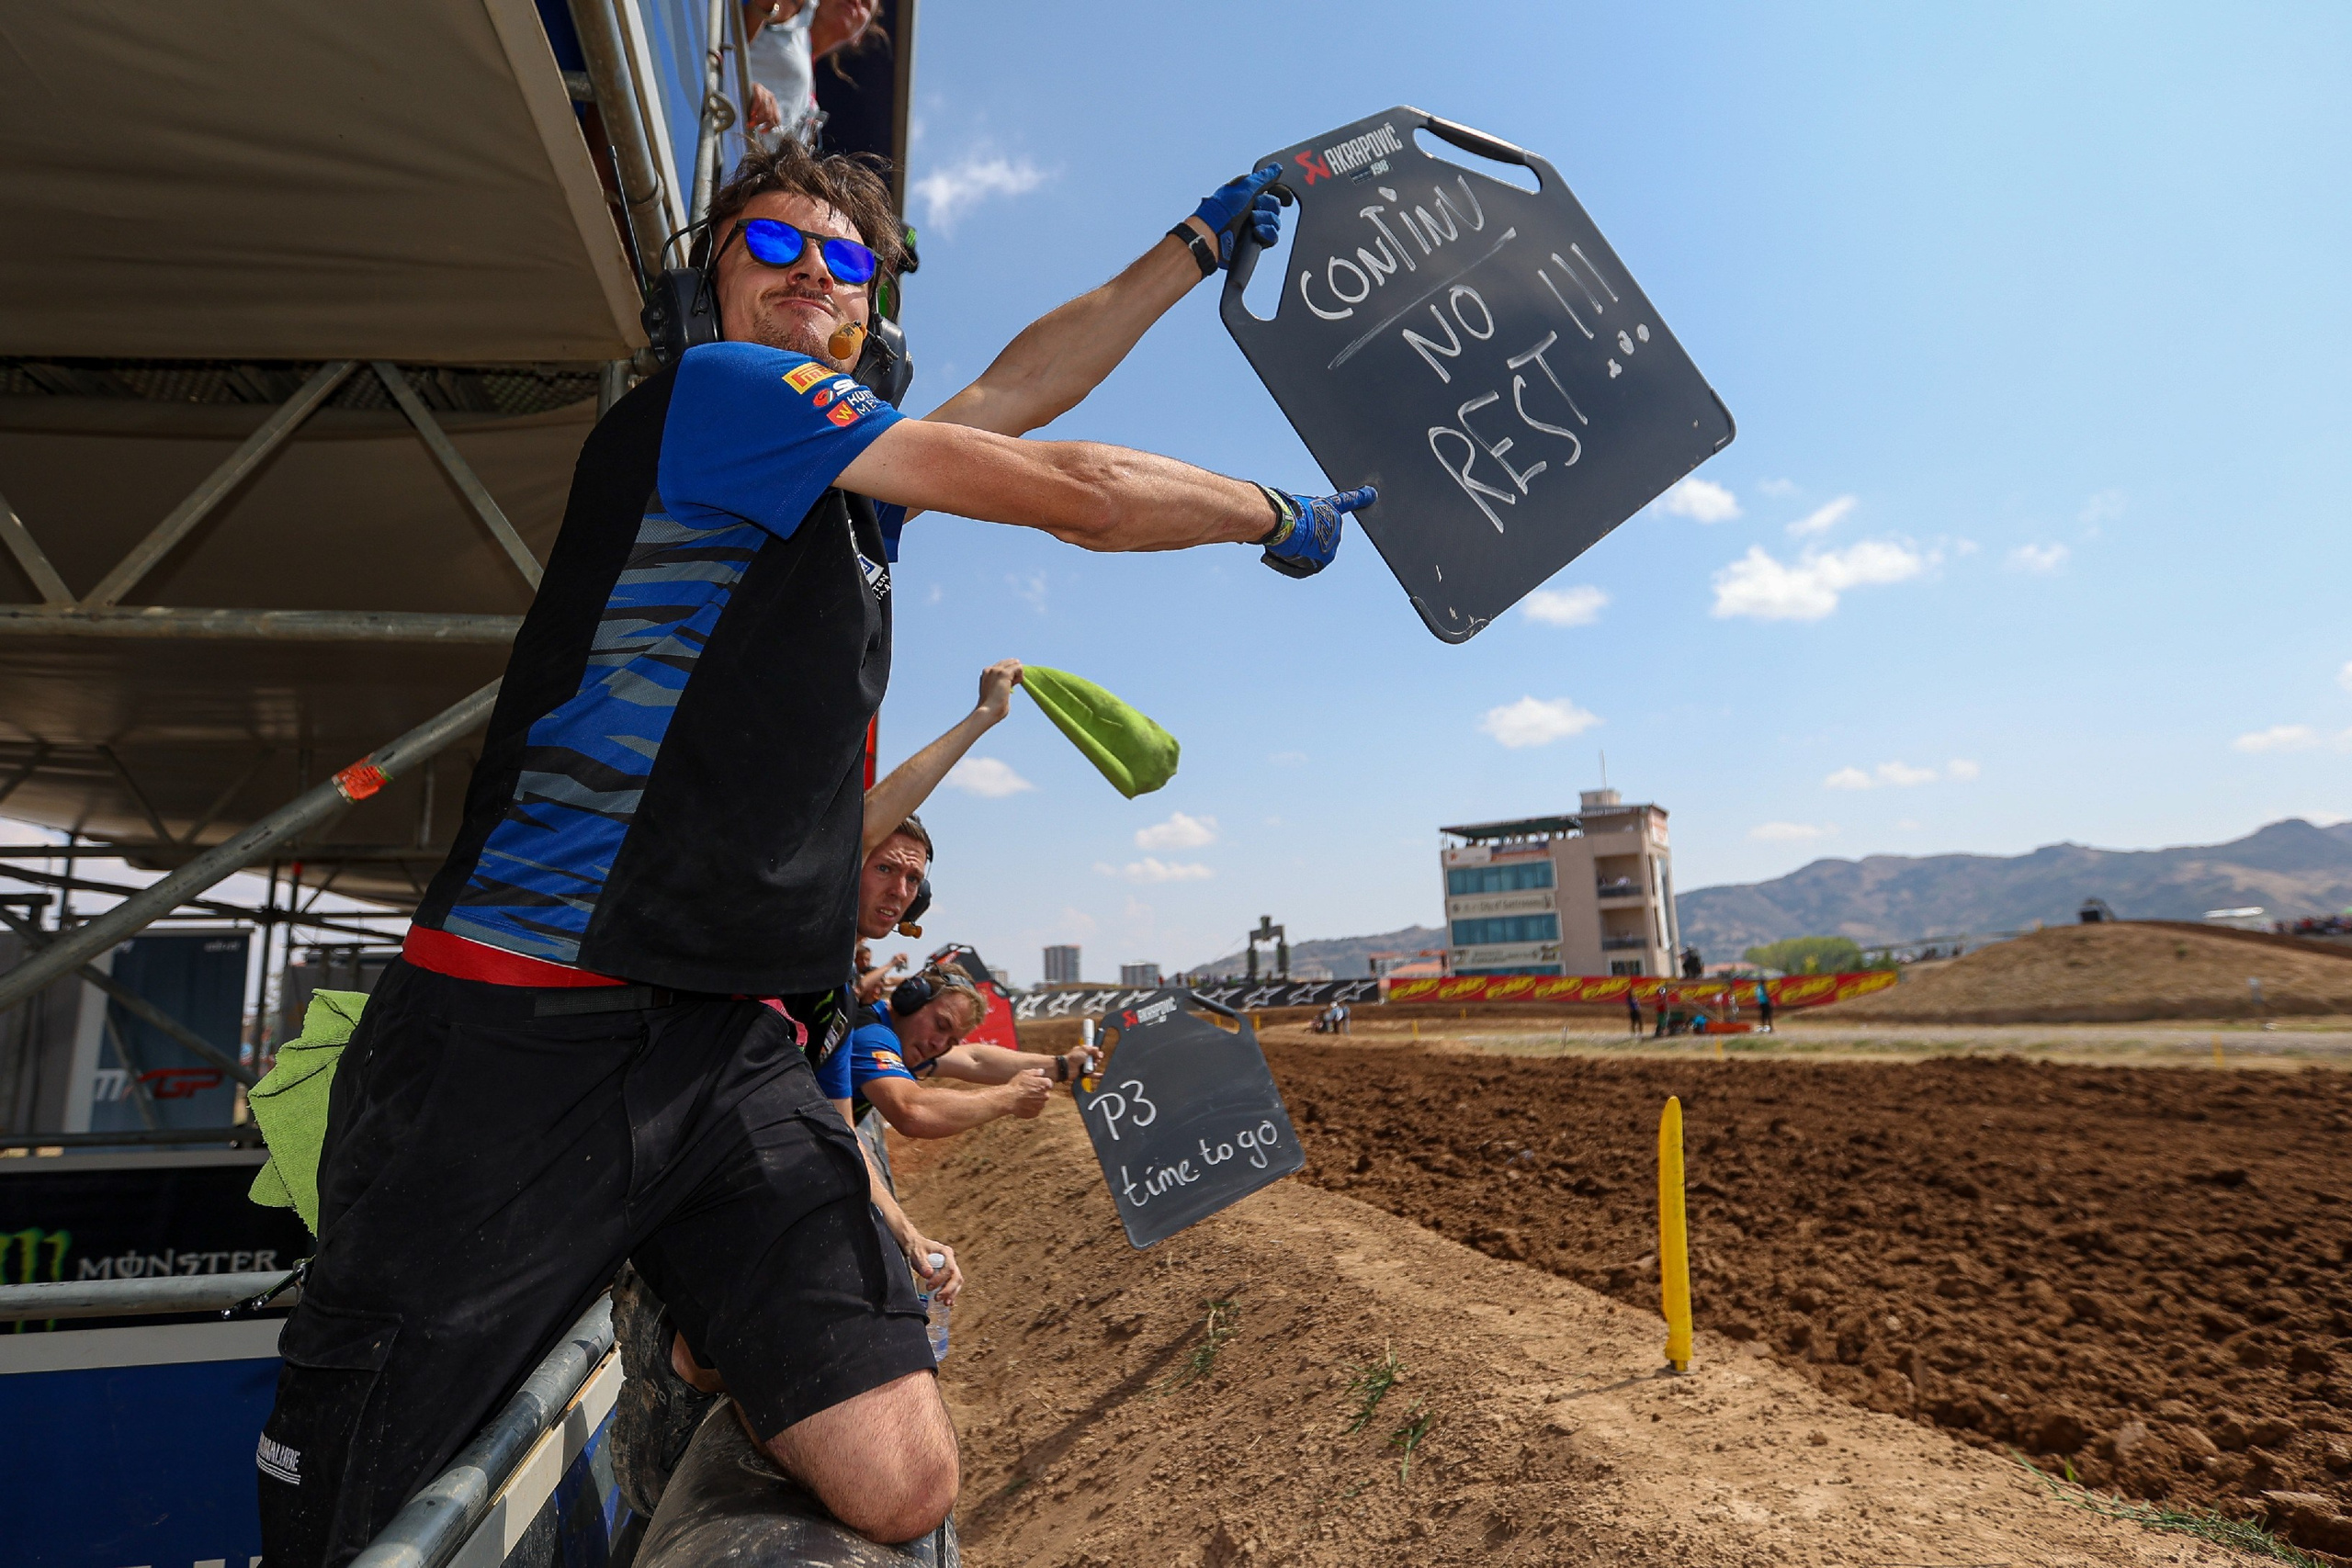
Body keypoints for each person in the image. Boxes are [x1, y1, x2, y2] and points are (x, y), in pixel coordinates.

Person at [261, 134, 1369, 1563]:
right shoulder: (725, 393)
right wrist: (1277, 513)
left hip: (724, 1040)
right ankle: (685, 1343)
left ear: (870, 310)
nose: (806, 273)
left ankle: (699, 1345)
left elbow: (1024, 385)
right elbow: (1077, 487)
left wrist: (1196, 245)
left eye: (841, 259)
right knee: (369, 1517)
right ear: (708, 285)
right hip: (521, 1026)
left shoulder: (852, 493)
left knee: (904, 1484)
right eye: (768, 245)